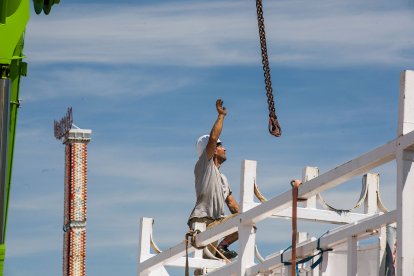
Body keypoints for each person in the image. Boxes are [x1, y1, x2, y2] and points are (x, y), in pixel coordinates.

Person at [188, 99, 240, 260]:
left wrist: (248, 219)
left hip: (217, 221)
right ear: (213, 150)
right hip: (203, 221)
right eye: (221, 145)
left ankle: (222, 246)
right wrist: (221, 116)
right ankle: (220, 248)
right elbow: (212, 138)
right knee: (205, 263)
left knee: (246, 220)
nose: (225, 148)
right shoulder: (204, 165)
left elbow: (231, 204)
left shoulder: (222, 178)